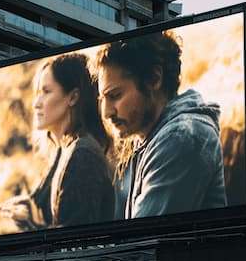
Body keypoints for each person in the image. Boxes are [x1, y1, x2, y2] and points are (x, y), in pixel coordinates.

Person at [96, 31, 226, 219]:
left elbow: (143, 241)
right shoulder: (149, 140)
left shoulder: (181, 136)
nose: (106, 113)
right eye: (102, 99)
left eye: (115, 96)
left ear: (154, 79)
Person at [0, 53, 113, 230]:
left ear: (73, 97)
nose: (36, 103)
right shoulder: (63, 151)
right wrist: (29, 208)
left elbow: (76, 244)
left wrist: (31, 224)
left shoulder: (83, 154)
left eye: (46, 92)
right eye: (38, 93)